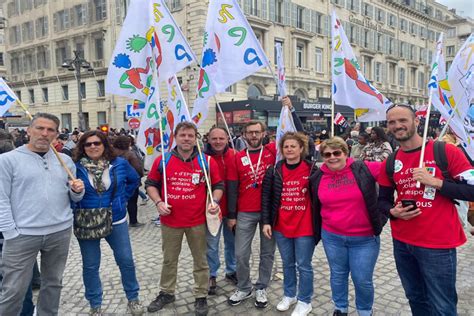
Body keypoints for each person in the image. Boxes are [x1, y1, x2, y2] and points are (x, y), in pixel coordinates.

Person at [378, 104, 474, 316]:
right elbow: (382, 201)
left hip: (437, 245)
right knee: (415, 298)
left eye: (403, 120)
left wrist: (436, 183)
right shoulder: (391, 161)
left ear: (416, 122)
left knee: (442, 304)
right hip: (402, 242)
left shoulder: (445, 151)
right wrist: (393, 212)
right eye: (392, 122)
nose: (397, 126)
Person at [0, 113, 85, 315]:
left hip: (59, 232)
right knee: (13, 290)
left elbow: (74, 199)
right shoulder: (7, 160)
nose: (44, 133)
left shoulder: (64, 160)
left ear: (56, 134)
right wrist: (10, 232)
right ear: (29, 130)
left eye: (50, 130)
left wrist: (77, 191)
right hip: (22, 235)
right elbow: (1, 199)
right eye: (39, 128)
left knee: (53, 284)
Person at [145, 122, 224, 316]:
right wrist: (158, 202)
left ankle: (201, 295)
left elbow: (219, 185)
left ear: (196, 137)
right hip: (170, 221)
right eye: (183, 135)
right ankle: (166, 292)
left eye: (190, 135)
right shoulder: (162, 160)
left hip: (197, 221)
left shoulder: (206, 161)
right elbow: (150, 184)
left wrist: (214, 201)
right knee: (169, 260)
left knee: (201, 261)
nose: (187, 139)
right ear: (175, 137)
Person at [310, 136, 387, 316]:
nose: (332, 157)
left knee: (362, 279)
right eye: (327, 154)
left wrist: (385, 213)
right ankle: (340, 308)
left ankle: (365, 311)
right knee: (338, 275)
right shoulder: (318, 177)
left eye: (337, 153)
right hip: (332, 237)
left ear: (345, 153)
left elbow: (393, 172)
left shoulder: (363, 168)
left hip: (364, 238)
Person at [72, 130, 144, 316]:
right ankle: (95, 305)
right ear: (83, 147)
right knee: (90, 265)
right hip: (87, 220)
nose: (93, 147)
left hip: (116, 219)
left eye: (97, 143)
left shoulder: (118, 163)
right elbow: (68, 194)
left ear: (104, 144)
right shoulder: (75, 167)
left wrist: (122, 199)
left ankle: (133, 298)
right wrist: (75, 197)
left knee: (126, 260)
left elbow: (134, 180)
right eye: (88, 144)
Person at [261, 132, 318, 316]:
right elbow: (266, 198)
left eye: (293, 146)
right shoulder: (274, 170)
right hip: (281, 225)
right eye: (286, 146)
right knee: (287, 263)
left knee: (304, 265)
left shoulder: (312, 170)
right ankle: (289, 294)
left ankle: (305, 300)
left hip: (304, 226)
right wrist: (266, 222)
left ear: (301, 149)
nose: (289, 149)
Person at [226, 120, 277, 308]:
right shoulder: (237, 157)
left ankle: (262, 286)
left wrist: (291, 110)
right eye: (250, 133)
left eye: (257, 132)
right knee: (240, 253)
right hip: (245, 212)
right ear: (244, 135)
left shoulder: (273, 152)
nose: (253, 136)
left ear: (264, 133)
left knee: (267, 253)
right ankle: (244, 287)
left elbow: (297, 134)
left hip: (268, 213)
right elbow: (232, 187)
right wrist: (231, 215)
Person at [204, 127, 238, 295]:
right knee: (211, 245)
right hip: (211, 209)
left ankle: (231, 270)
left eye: (221, 138)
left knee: (232, 243)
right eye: (214, 138)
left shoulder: (235, 155)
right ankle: (211, 274)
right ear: (208, 139)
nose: (217, 141)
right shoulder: (202, 158)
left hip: (232, 208)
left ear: (227, 139)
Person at [113, 135, 145, 227]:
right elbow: (137, 167)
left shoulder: (113, 153)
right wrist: (140, 176)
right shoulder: (129, 153)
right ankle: (133, 221)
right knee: (132, 202)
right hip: (131, 180)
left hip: (118, 181)